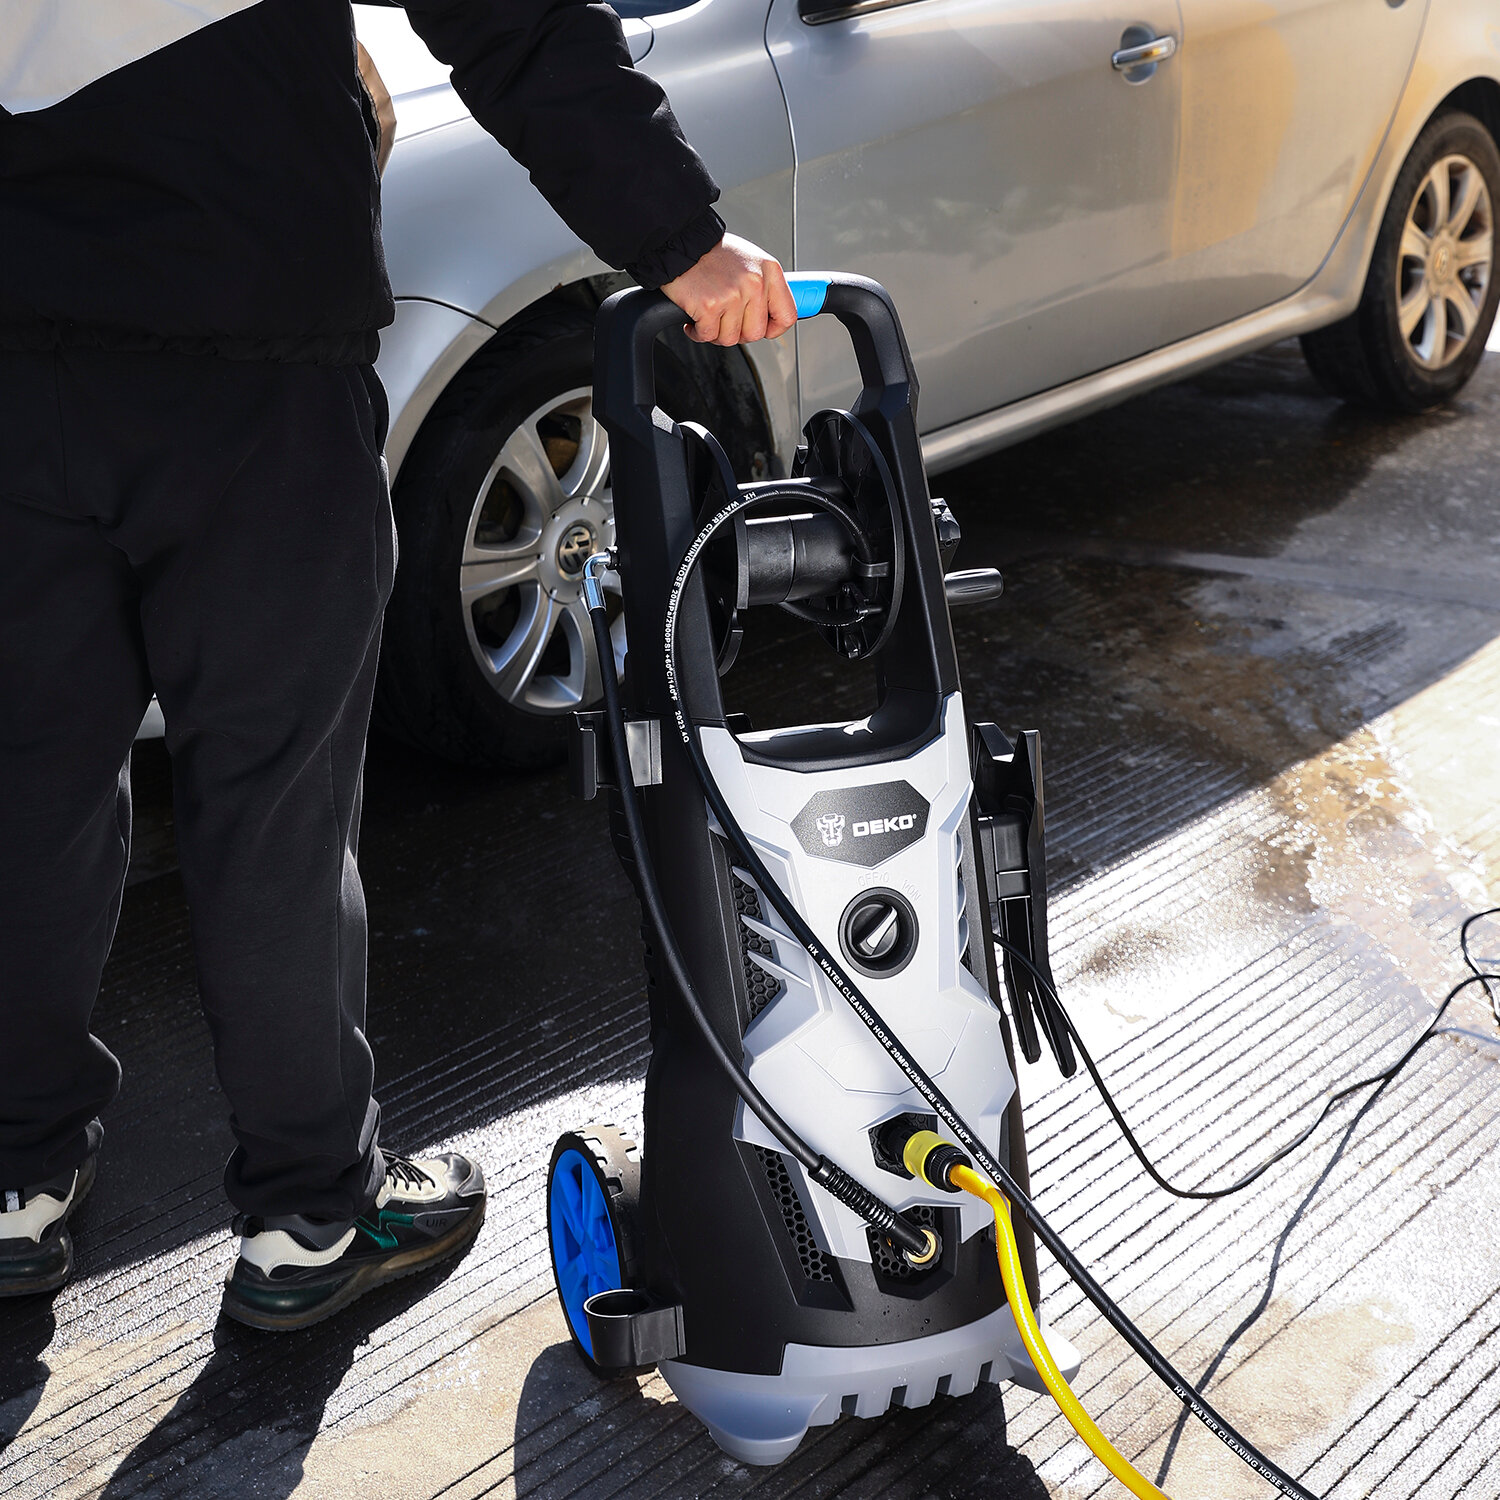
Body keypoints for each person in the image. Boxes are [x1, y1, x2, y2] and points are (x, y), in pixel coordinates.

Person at [0, 0, 797, 1330]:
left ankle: (14, 1181)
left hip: (19, 360)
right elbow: (514, 23)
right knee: (273, 803)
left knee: (28, 784)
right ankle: (309, 1217)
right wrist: (681, 241)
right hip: (250, 364)